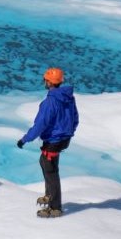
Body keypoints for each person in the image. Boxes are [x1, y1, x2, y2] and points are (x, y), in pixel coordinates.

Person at [19, 67, 79, 218]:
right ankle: (49, 195)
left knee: (50, 171)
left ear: (49, 82)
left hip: (53, 141)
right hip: (64, 139)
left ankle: (55, 207)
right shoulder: (68, 98)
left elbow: (40, 125)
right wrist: (68, 133)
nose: (44, 82)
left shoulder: (49, 102)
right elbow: (75, 118)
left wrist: (25, 139)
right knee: (47, 164)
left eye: (45, 80)